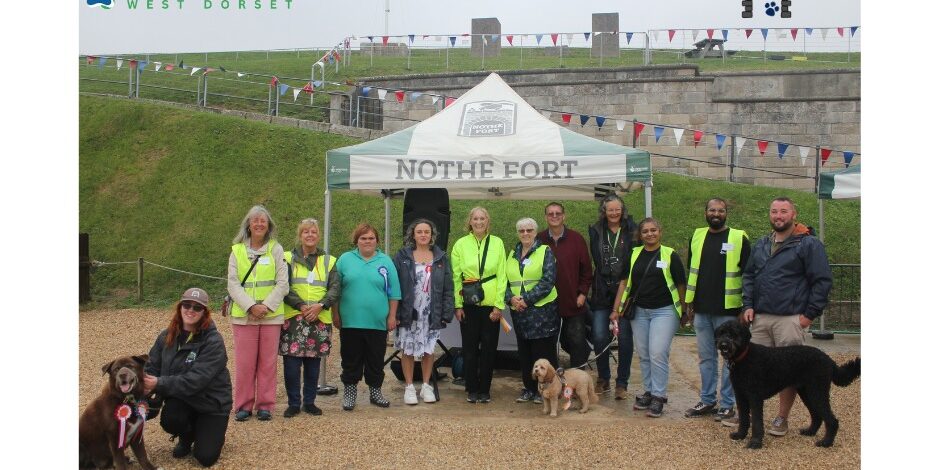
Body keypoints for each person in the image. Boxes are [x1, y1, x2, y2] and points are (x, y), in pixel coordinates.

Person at [728, 196, 833, 435]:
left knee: (790, 372)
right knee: (753, 371)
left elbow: (822, 281)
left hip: (790, 317)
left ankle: (781, 418)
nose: (778, 216)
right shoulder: (763, 243)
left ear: (793, 214)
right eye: (774, 211)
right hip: (761, 317)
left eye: (784, 211)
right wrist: (748, 304)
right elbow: (750, 276)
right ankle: (751, 419)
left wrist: (809, 315)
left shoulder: (808, 244)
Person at [144, 288, 231, 467]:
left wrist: (158, 383)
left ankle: (204, 432)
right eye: (187, 305)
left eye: (197, 307)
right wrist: (144, 396)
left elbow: (196, 380)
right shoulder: (165, 335)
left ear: (204, 312)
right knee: (170, 420)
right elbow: (152, 367)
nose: (190, 310)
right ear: (180, 307)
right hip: (183, 399)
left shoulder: (213, 341)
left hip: (211, 404)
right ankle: (187, 436)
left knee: (206, 458)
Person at [611, 217, 688, 418]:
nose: (650, 234)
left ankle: (659, 395)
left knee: (657, 352)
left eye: (653, 230)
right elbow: (623, 282)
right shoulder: (634, 254)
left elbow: (681, 284)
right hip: (640, 311)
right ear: (640, 235)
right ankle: (649, 390)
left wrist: (685, 310)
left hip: (665, 310)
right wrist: (616, 308)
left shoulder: (670, 255)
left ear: (660, 232)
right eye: (645, 231)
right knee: (644, 354)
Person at [683, 198, 750, 422]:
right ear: (705, 212)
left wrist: (746, 306)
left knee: (730, 358)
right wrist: (689, 303)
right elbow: (692, 270)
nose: (716, 213)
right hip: (702, 309)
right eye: (712, 209)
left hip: (728, 310)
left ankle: (728, 403)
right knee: (706, 358)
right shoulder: (697, 235)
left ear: (726, 213)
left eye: (721, 210)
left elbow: (749, 274)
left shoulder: (739, 237)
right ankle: (708, 399)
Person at [226, 205, 288, 422]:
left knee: (268, 363)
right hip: (244, 316)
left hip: (270, 316)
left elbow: (283, 283)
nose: (259, 224)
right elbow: (232, 284)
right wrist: (251, 306)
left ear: (268, 225)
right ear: (249, 225)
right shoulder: (237, 251)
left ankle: (265, 405)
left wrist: (266, 306)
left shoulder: (276, 249)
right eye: (255, 220)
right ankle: (242, 405)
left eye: (263, 220)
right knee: (244, 363)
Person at [335, 223, 401, 411]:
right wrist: (335, 313)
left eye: (371, 238)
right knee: (350, 358)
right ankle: (350, 392)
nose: (367, 241)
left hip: (377, 322)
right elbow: (336, 290)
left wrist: (392, 316)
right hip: (350, 321)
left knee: (375, 359)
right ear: (356, 240)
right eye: (363, 238)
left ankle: (375, 392)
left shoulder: (386, 261)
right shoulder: (345, 259)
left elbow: (394, 292)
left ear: (377, 241)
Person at [280, 218, 339, 417]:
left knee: (314, 365)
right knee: (292, 365)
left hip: (319, 317)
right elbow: (284, 286)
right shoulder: (287, 258)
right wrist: (302, 306)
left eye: (313, 232)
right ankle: (294, 403)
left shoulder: (329, 261)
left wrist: (320, 306)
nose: (310, 235)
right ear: (300, 235)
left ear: (318, 235)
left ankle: (310, 402)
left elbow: (335, 287)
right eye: (306, 232)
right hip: (295, 317)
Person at [393, 219, 455, 405]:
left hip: (431, 311)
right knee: (408, 349)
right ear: (413, 234)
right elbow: (394, 286)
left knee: (429, 350)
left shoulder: (441, 257)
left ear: (431, 235)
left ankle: (426, 386)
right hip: (408, 310)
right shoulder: (402, 256)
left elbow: (448, 288)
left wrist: (446, 311)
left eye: (426, 232)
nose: (423, 235)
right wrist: (394, 313)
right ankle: (410, 388)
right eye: (419, 231)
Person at [451, 206, 507, 404]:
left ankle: (485, 389)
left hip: (491, 303)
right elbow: (456, 277)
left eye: (482, 218)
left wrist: (499, 306)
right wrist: (458, 306)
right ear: (470, 221)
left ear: (488, 221)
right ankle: (471, 388)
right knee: (470, 348)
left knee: (489, 349)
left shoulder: (498, 243)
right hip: (469, 303)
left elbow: (503, 275)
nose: (479, 222)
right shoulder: (460, 244)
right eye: (475, 218)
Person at [586, 194, 638, 399]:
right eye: (610, 210)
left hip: (624, 289)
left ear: (622, 210)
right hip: (601, 290)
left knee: (624, 338)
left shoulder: (632, 230)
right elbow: (596, 259)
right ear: (604, 211)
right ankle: (603, 377)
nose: (614, 213)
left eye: (617, 209)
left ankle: (622, 383)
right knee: (599, 335)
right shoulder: (596, 230)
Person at [507, 217, 561, 404]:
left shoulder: (545, 251)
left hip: (542, 312)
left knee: (543, 352)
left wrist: (526, 299)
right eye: (521, 231)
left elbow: (548, 281)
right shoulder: (512, 253)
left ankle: (547, 391)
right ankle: (529, 389)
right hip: (520, 314)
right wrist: (510, 298)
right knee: (525, 353)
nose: (525, 234)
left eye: (529, 230)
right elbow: (505, 281)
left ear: (535, 232)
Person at [536, 202, 592, 371]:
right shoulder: (538, 240)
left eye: (558, 213)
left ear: (564, 216)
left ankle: (577, 381)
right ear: (545, 217)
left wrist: (582, 294)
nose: (554, 216)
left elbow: (587, 270)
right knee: (548, 343)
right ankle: (550, 381)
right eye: (550, 213)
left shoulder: (576, 239)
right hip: (546, 302)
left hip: (573, 301)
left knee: (576, 340)